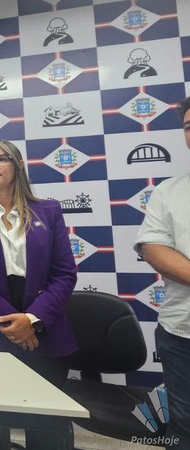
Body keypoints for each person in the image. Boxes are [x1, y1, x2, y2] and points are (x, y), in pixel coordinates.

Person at [0, 140, 77, 449]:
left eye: (1, 158)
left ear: (18, 165)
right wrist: (11, 322)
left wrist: (31, 320)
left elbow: (64, 273)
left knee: (45, 426)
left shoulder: (48, 211)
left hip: (42, 324)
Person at [134, 96, 190, 450]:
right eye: (189, 127)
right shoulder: (168, 191)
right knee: (183, 426)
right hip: (181, 333)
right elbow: (153, 248)